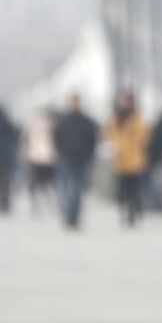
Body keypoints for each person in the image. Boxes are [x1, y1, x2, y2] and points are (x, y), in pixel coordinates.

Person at [105, 90, 153, 226]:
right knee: (122, 190)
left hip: (135, 159)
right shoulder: (115, 117)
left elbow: (145, 135)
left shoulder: (137, 118)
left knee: (134, 189)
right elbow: (109, 133)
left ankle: (133, 212)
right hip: (120, 160)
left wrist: (135, 144)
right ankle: (124, 212)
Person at [53, 93, 99, 229]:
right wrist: (60, 152)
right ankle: (68, 214)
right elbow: (56, 137)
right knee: (66, 188)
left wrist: (89, 154)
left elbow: (93, 139)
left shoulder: (86, 121)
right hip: (67, 158)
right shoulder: (64, 121)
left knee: (77, 189)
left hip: (82, 158)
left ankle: (74, 216)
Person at [23, 109, 58, 215]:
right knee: (49, 183)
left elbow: (25, 140)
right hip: (49, 158)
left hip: (34, 157)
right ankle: (51, 204)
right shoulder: (52, 125)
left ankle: (35, 204)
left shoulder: (32, 125)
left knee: (34, 183)